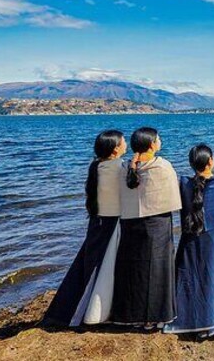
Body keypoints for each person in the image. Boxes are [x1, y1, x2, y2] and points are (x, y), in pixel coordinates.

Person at [44, 129, 127, 326]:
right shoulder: (121, 168)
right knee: (110, 268)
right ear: (115, 149)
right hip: (114, 222)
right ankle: (101, 310)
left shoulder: (97, 167)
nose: (126, 144)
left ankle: (75, 306)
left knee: (89, 266)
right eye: (123, 141)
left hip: (97, 223)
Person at [110, 127, 182, 329]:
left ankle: (130, 315)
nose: (160, 141)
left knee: (133, 269)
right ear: (152, 144)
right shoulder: (162, 166)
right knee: (157, 269)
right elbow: (173, 191)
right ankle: (156, 317)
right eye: (158, 139)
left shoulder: (125, 167)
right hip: (157, 223)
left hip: (130, 222)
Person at [164, 144, 214, 339]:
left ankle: (189, 320)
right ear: (211, 161)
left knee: (192, 277)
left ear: (191, 163)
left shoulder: (184, 184)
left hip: (191, 236)